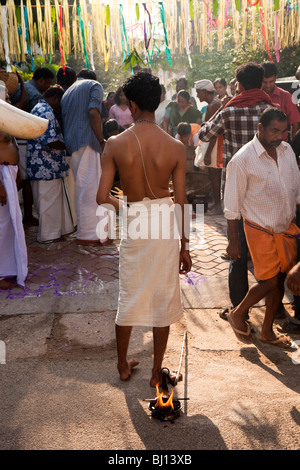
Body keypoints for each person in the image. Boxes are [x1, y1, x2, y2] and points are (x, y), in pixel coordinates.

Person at [96, 71, 192, 386]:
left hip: (136, 221)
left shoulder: (114, 143)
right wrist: (185, 247)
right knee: (162, 298)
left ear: (132, 104)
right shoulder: (175, 147)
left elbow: (101, 197)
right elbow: (181, 203)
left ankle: (123, 365)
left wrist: (129, 210)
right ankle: (155, 374)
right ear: (159, 101)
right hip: (165, 222)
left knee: (130, 295)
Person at [199, 62, 279, 320]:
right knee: (269, 247)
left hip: (236, 188)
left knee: (237, 249)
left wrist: (221, 109)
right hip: (267, 187)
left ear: (240, 85)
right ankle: (274, 309)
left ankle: (238, 310)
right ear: (261, 81)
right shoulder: (271, 110)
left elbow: (204, 134)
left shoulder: (229, 111)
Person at [224, 108, 300, 348]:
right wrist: (233, 241)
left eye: (283, 131)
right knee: (270, 281)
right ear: (260, 129)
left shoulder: (287, 151)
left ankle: (267, 331)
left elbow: (295, 188)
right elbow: (232, 207)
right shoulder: (242, 159)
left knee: (278, 279)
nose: (279, 136)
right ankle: (238, 313)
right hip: (259, 228)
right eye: (274, 131)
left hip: (285, 227)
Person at [61, 68, 107, 245]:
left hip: (73, 144)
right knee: (91, 188)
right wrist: (101, 141)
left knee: (82, 187)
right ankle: (90, 235)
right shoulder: (94, 85)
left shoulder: (68, 91)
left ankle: (86, 232)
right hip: (89, 141)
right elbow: (93, 112)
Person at [26, 85, 74, 243]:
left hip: (42, 165)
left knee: (46, 201)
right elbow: (51, 141)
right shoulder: (45, 111)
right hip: (46, 165)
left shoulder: (38, 108)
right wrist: (68, 147)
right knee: (49, 202)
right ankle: (49, 236)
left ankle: (51, 234)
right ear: (56, 98)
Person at [11, 68, 55, 227]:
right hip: (24, 139)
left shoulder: (24, 87)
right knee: (25, 180)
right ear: (41, 80)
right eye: (48, 82)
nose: (48, 86)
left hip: (18, 139)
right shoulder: (35, 95)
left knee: (21, 179)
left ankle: (23, 214)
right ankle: (27, 215)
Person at [0, 91, 27, 289]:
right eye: (7, 98)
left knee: (10, 225)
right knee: (2, 226)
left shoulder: (6, 119)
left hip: (10, 172)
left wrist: (17, 174)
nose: (11, 101)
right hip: (1, 176)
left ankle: (9, 268)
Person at [195, 79, 222, 214]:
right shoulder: (214, 103)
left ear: (205, 92)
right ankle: (217, 204)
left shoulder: (213, 105)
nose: (197, 96)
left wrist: (207, 153)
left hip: (214, 145)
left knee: (215, 176)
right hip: (214, 144)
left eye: (198, 92)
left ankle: (218, 206)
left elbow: (214, 132)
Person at [261, 61, 300, 140]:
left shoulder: (286, 96)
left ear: (276, 78)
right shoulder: (254, 96)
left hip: (280, 146)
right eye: (264, 82)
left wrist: (292, 147)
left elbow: (295, 123)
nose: (268, 85)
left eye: (271, 81)